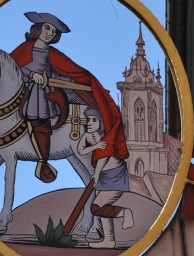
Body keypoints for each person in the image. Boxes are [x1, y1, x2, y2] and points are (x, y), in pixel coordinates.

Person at [10, 11, 127, 183]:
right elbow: (11, 68)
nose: (50, 32)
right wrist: (29, 74)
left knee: (43, 111)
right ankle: (39, 157)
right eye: (47, 28)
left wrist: (49, 78)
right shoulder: (24, 49)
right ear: (37, 29)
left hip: (45, 92)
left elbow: (70, 70)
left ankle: (43, 160)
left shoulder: (53, 54)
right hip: (25, 92)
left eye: (53, 30)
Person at [78, 109, 132, 247]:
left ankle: (124, 212)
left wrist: (96, 173)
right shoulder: (88, 136)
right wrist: (95, 146)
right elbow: (81, 150)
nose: (90, 123)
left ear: (101, 122)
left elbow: (104, 156)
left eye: (94, 120)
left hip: (115, 173)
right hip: (105, 176)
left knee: (96, 207)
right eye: (88, 119)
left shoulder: (107, 135)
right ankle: (109, 240)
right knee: (100, 207)